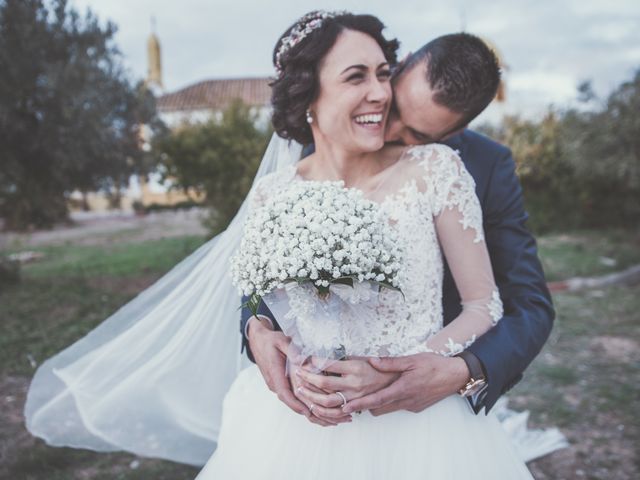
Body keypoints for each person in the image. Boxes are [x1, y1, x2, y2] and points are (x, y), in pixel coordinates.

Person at [195, 10, 538, 479]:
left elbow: (511, 304)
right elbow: (260, 288)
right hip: (301, 424)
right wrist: (260, 332)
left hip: (422, 429)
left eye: (380, 75)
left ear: (450, 134)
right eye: (361, 77)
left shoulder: (443, 168)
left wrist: (437, 367)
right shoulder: (277, 189)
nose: (383, 110)